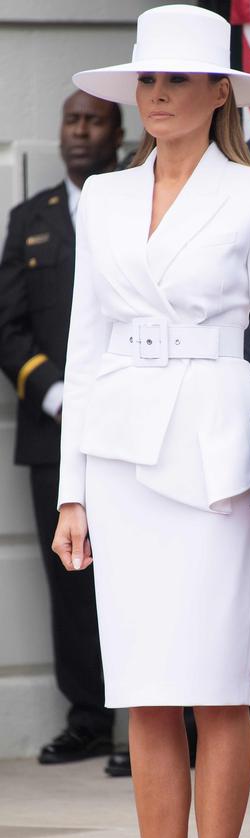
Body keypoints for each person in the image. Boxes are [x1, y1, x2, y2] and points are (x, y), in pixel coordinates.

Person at [51, 6, 250, 838]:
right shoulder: (99, 199)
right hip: (118, 457)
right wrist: (71, 494)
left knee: (215, 685)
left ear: (219, 93)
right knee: (143, 691)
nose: (155, 94)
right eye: (146, 80)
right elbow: (85, 341)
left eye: (178, 80)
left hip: (215, 459)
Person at [0, 91, 123, 769]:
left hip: (133, 424)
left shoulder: (142, 202)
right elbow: (7, 326)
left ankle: (153, 724)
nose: (79, 132)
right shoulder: (32, 219)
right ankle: (89, 717)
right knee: (71, 580)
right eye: (71, 121)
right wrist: (54, 396)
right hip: (57, 429)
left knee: (139, 569)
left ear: (119, 131)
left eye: (93, 121)